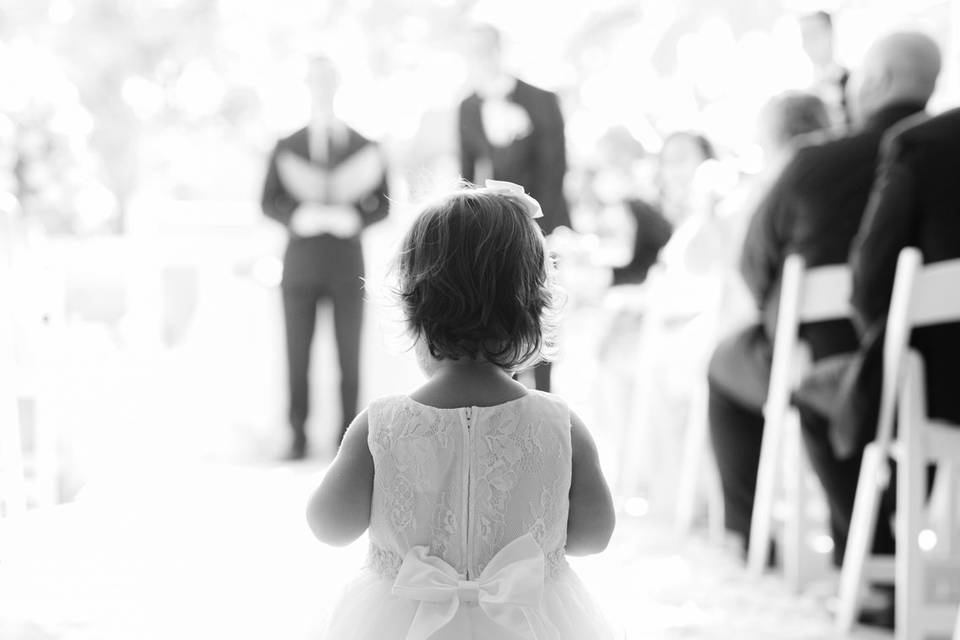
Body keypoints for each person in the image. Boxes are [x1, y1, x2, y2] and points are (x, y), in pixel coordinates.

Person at [305, 182, 616, 639]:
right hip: (529, 621)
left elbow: (329, 526)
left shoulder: (382, 425)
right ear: (532, 308)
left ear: (415, 306)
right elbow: (593, 536)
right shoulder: (562, 426)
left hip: (402, 622)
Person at [706, 31, 940, 558]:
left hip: (824, 357)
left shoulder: (815, 162)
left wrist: (780, 313)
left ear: (876, 79)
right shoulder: (948, 157)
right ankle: (880, 546)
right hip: (934, 364)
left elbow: (754, 265)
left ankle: (753, 540)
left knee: (724, 363)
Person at [261, 55, 390, 460]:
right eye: (314, 81)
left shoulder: (364, 144)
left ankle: (348, 440)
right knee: (296, 353)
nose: (321, 88)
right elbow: (268, 202)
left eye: (327, 80)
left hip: (347, 263)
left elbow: (383, 204)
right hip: (300, 264)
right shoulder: (287, 145)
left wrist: (355, 216)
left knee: (349, 355)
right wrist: (298, 215)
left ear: (337, 85)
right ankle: (296, 435)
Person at [458, 24, 571, 393]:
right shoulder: (468, 107)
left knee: (541, 316)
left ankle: (546, 404)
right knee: (502, 319)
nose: (480, 58)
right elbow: (468, 178)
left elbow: (556, 171)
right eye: (472, 51)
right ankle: (510, 402)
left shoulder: (541, 99)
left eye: (484, 49)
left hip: (544, 227)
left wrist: (541, 232)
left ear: (498, 50)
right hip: (496, 233)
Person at [799, 11, 851, 130]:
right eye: (804, 36)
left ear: (830, 33)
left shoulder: (855, 83)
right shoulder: (805, 96)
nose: (808, 43)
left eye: (814, 34)